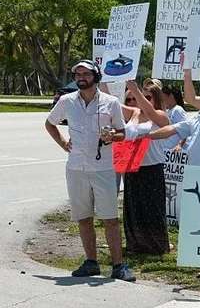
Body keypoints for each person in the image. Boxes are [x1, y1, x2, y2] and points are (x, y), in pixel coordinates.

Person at [44, 59, 135, 281]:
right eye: (78, 75)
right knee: (83, 217)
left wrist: (112, 136)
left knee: (110, 219)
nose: (81, 78)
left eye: (85, 74)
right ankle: (91, 262)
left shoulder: (111, 102)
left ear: (95, 77)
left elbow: (122, 132)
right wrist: (64, 144)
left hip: (103, 169)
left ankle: (118, 265)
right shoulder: (67, 101)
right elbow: (50, 123)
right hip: (75, 168)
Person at [122, 79, 170, 255]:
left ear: (155, 98)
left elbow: (150, 112)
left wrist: (135, 90)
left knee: (153, 210)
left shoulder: (159, 115)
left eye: (147, 96)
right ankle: (135, 244)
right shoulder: (134, 113)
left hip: (152, 167)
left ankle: (156, 246)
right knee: (133, 209)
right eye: (133, 97)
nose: (139, 99)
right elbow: (111, 103)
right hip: (132, 166)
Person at [160, 85, 187, 151]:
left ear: (171, 96)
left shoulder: (178, 110)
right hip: (168, 151)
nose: (161, 99)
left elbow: (185, 128)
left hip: (175, 152)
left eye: (163, 96)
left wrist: (179, 145)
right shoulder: (169, 111)